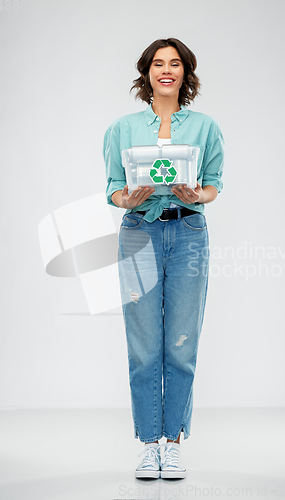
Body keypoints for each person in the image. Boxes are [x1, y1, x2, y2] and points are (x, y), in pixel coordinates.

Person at [103, 38, 224, 480]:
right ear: (147, 73)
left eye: (175, 64)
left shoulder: (206, 127)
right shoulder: (122, 128)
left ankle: (172, 444)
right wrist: (126, 198)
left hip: (189, 231)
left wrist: (197, 195)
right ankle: (148, 444)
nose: (166, 70)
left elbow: (214, 183)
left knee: (181, 343)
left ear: (185, 73)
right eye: (158, 63)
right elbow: (113, 187)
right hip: (139, 233)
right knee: (144, 346)